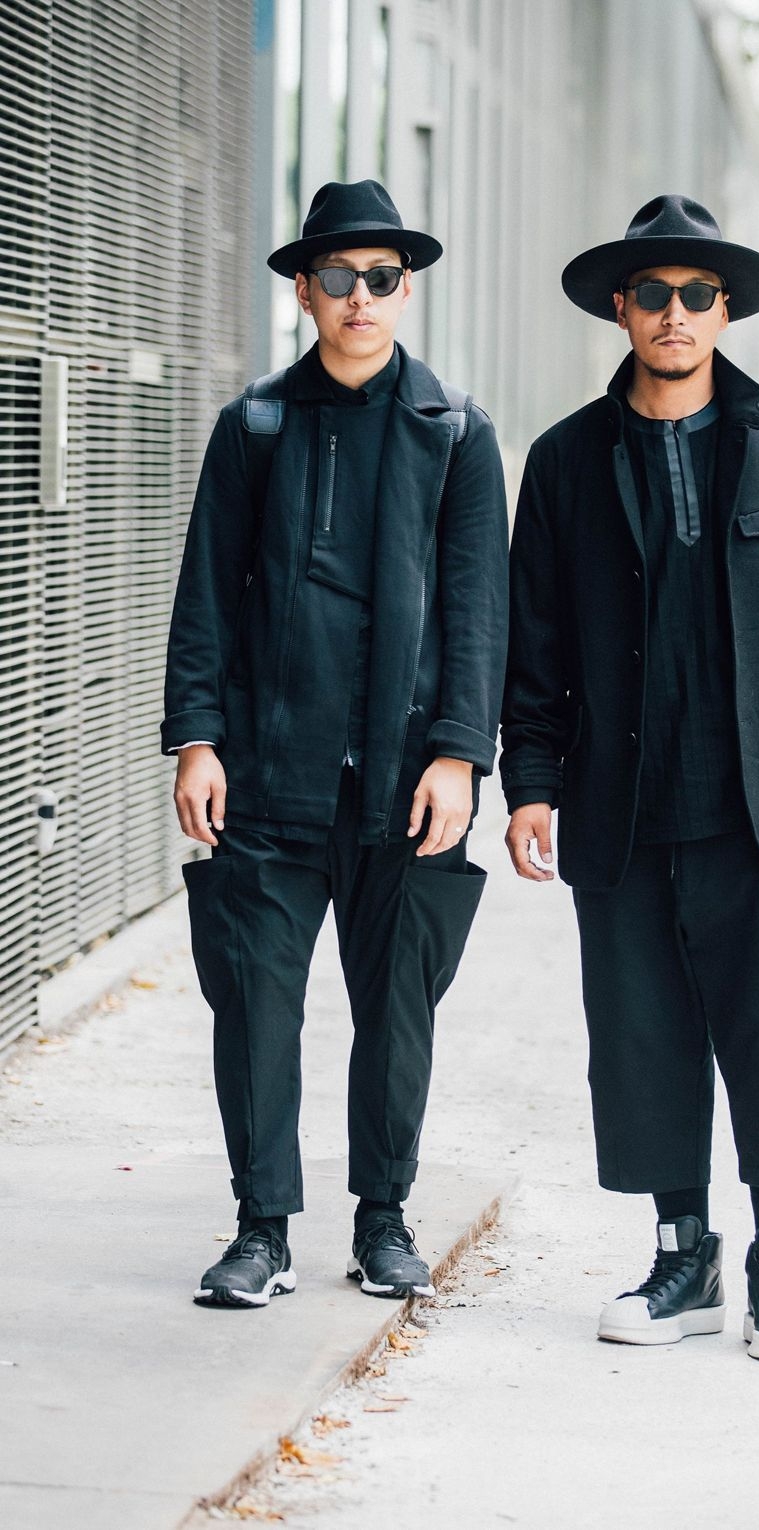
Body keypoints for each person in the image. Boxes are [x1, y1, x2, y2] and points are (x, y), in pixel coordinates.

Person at [501, 195, 759, 1363]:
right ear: (621, 308)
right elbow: (537, 643)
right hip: (621, 807)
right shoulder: (566, 461)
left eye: (698, 295)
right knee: (640, 1036)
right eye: (655, 294)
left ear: (726, 310)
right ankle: (685, 1256)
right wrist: (531, 783)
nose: (676, 314)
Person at [163, 180, 508, 1308]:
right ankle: (261, 1229)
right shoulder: (254, 424)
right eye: (341, 277)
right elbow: (207, 592)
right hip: (267, 772)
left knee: (397, 1009)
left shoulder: (457, 431)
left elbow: (477, 608)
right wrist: (198, 737)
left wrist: (460, 752)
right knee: (256, 1000)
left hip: (407, 781)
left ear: (407, 289)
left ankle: (384, 1218)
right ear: (305, 289)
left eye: (384, 278)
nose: (363, 298)